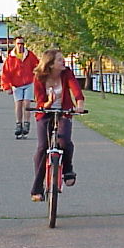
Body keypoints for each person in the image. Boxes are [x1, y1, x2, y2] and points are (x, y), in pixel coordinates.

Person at [30, 49, 85, 201]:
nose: (63, 62)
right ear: (51, 63)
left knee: (64, 140)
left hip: (64, 111)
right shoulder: (39, 77)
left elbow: (76, 91)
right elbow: (40, 101)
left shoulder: (67, 73)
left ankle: (68, 169)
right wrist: (49, 102)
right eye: (60, 60)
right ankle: (37, 189)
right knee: (42, 147)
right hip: (44, 112)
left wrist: (79, 104)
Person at [0, 37, 39, 137]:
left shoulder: (29, 55)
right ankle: (18, 124)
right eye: (18, 43)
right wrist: (6, 86)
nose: (20, 45)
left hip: (28, 83)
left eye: (22, 43)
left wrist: (38, 75)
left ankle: (26, 124)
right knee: (18, 104)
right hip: (16, 84)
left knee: (27, 103)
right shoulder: (11, 58)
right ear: (15, 44)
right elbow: (5, 73)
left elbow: (37, 66)